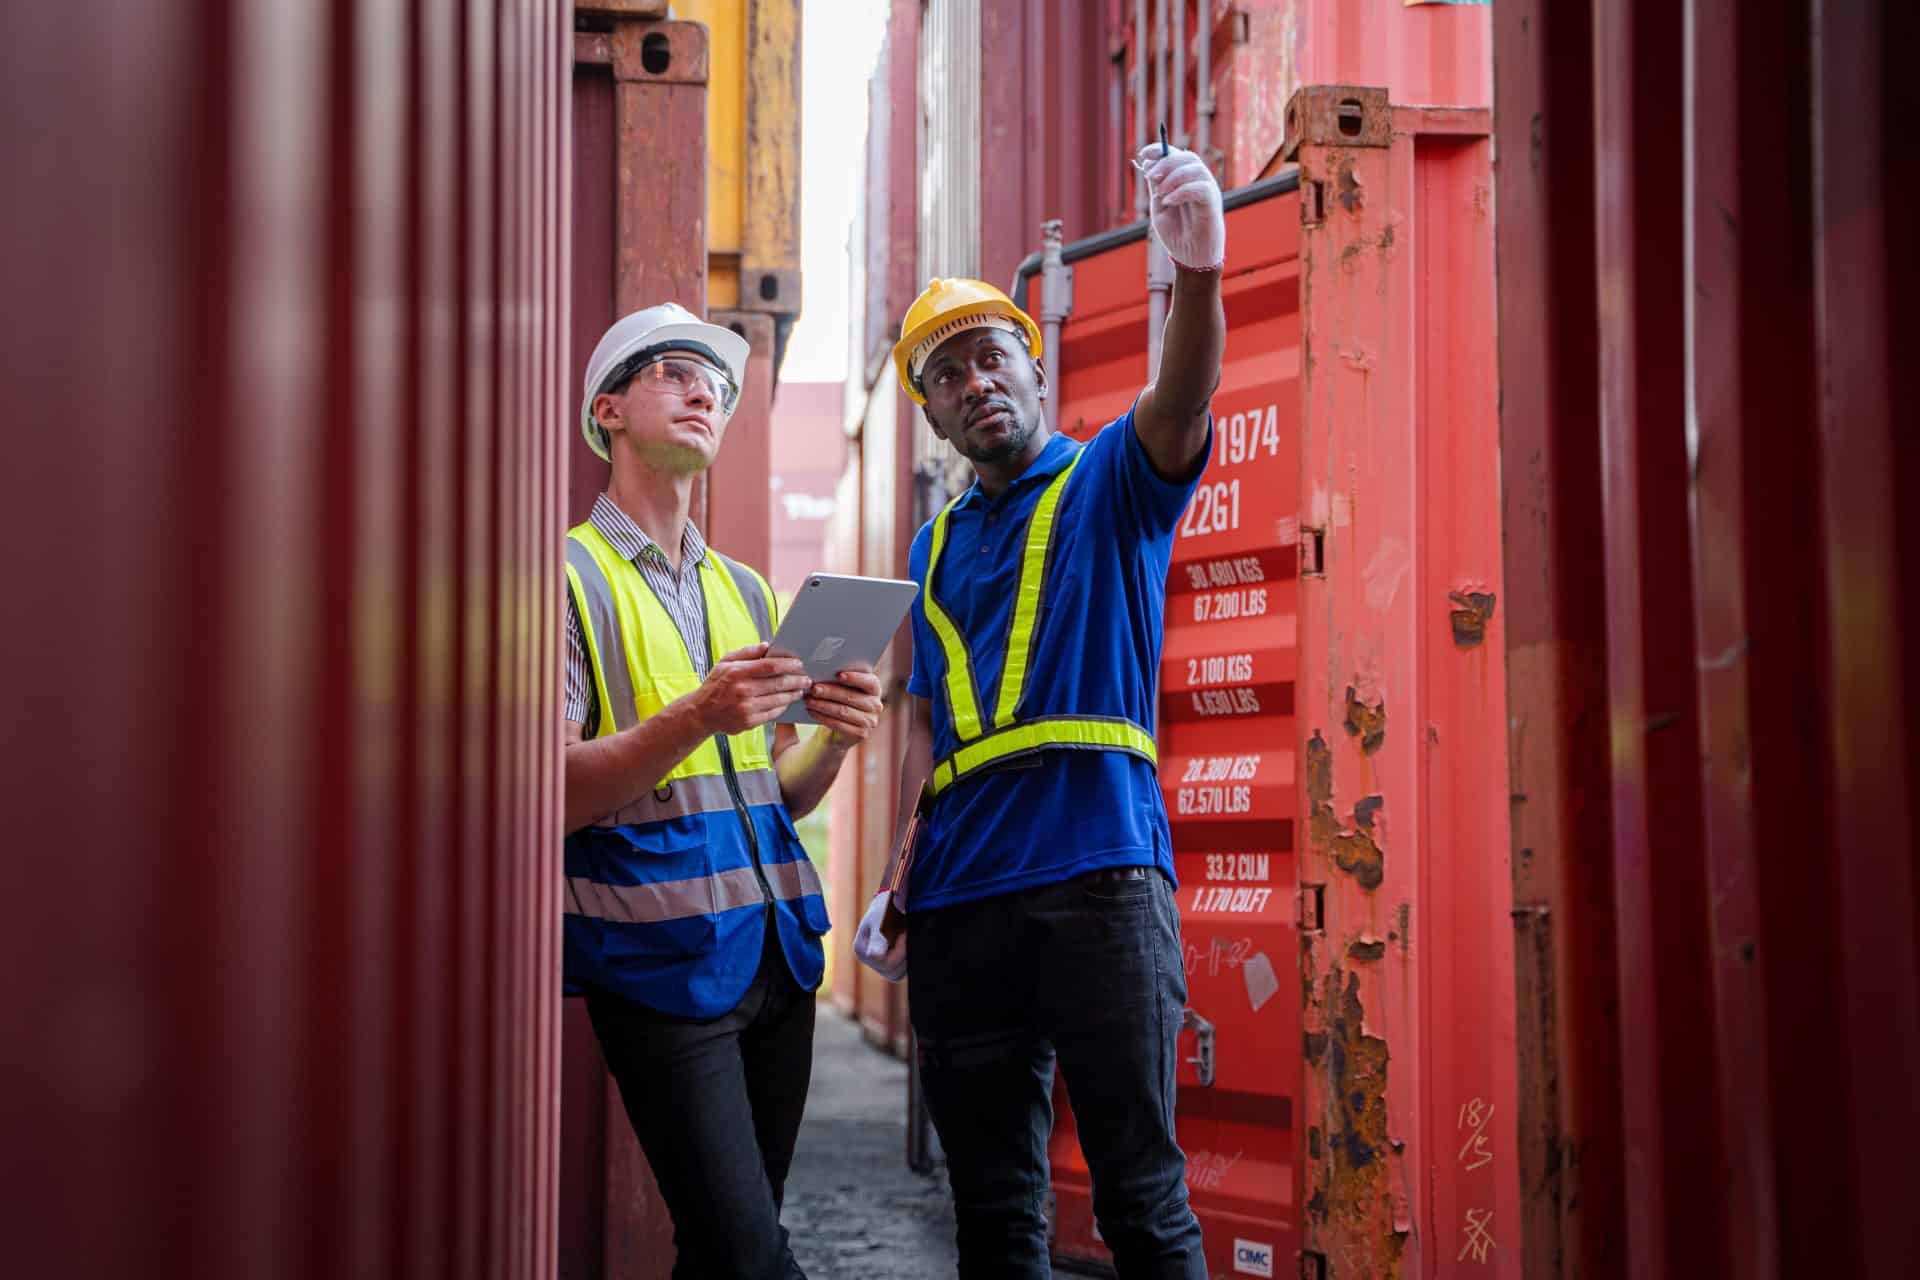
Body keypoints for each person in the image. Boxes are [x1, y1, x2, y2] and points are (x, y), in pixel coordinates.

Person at [853, 144, 1227, 1277]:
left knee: (1139, 1197)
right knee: (995, 1211)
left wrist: (1200, 273)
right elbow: (928, 724)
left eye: (990, 355)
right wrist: (898, 873)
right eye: (949, 376)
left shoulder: (1110, 477)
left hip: (1100, 875)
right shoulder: (929, 548)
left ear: (1030, 362)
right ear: (933, 413)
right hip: (963, 895)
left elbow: (1182, 396)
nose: (977, 383)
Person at [562, 303, 883, 1279]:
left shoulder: (745, 589)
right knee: (753, 1256)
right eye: (673, 372)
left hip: (779, 964)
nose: (705, 391)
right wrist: (698, 713)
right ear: (608, 409)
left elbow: (769, 804)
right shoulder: (565, 577)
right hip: (662, 973)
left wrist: (833, 737)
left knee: (720, 1250)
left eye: (718, 386)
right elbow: (546, 795)